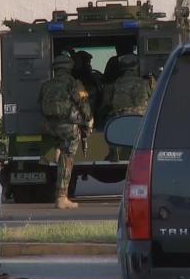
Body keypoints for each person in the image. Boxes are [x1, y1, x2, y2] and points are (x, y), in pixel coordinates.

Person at [39, 55, 93, 209]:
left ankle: (56, 151)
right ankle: (62, 197)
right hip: (67, 127)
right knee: (67, 157)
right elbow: (83, 102)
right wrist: (88, 119)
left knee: (60, 150)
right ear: (69, 67)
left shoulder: (47, 84)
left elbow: (40, 103)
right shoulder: (73, 83)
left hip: (49, 126)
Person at [105, 54, 154, 161]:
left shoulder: (115, 83)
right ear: (136, 67)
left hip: (118, 120)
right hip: (138, 121)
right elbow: (149, 103)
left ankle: (114, 152)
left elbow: (107, 103)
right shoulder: (143, 83)